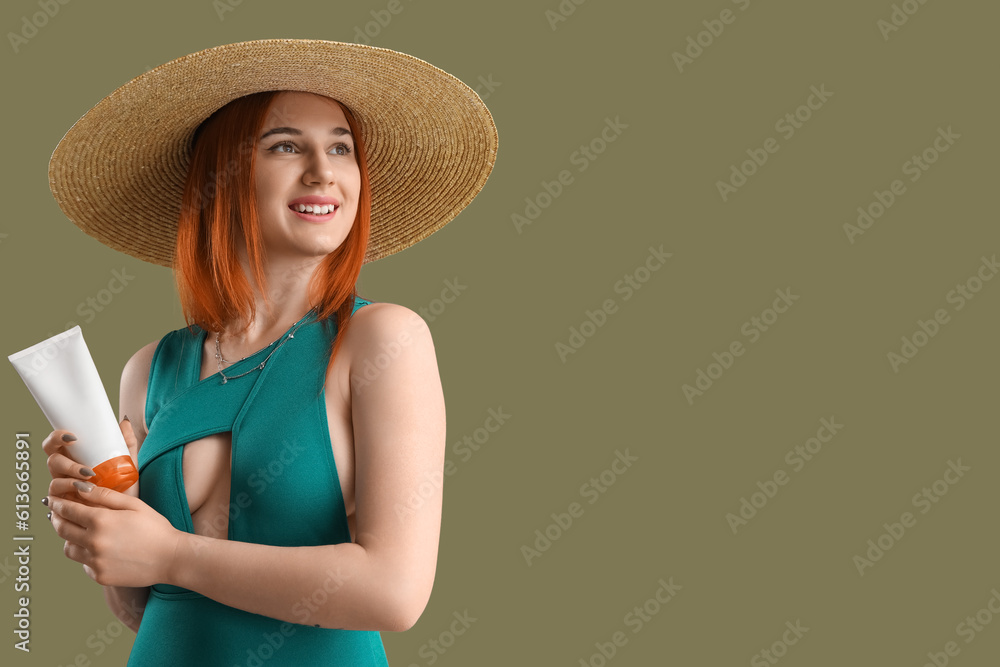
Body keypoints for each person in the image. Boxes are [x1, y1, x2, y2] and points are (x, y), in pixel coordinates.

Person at [39, 39, 497, 665]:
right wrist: (99, 523)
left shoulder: (382, 340)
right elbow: (140, 604)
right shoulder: (149, 370)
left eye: (341, 147)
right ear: (219, 176)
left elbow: (395, 593)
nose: (323, 171)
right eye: (286, 145)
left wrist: (171, 552)